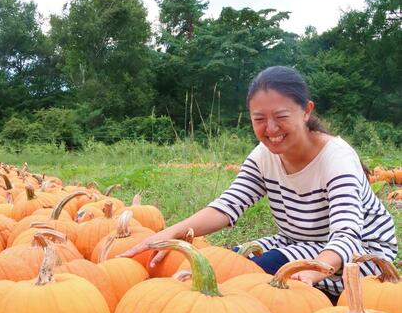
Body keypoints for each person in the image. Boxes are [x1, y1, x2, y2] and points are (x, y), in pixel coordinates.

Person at [120, 66, 398, 297]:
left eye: (281, 117)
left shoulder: (335, 158)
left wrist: (314, 269)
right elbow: (227, 206)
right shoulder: (264, 156)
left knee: (258, 276)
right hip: (298, 241)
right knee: (231, 261)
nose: (271, 129)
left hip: (362, 254)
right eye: (259, 119)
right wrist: (170, 233)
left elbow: (347, 233)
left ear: (306, 111)